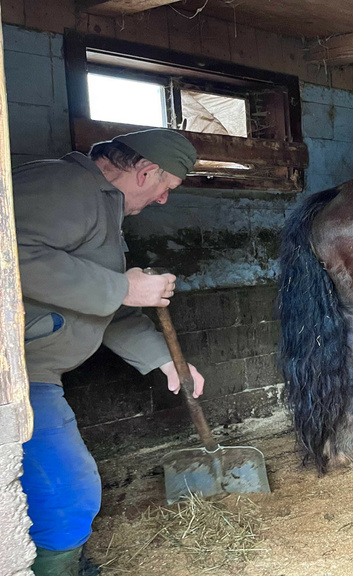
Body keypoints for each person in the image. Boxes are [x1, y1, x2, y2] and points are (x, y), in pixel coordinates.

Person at [13, 129, 207, 576]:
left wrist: (163, 359)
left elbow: (108, 307)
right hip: (15, 376)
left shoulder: (100, 205)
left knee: (58, 492)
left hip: (34, 372)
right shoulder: (65, 185)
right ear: (145, 171)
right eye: (167, 188)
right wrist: (123, 285)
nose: (162, 200)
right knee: (68, 491)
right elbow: (10, 255)